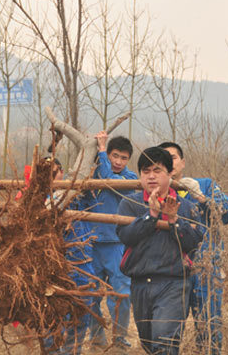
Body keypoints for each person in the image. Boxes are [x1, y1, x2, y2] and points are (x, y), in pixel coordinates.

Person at [116, 146, 203, 355]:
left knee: (164, 343)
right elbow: (125, 236)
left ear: (170, 173)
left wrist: (173, 220)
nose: (151, 176)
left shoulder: (186, 207)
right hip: (140, 283)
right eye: (146, 172)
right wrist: (152, 215)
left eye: (157, 171)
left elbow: (194, 242)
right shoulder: (130, 204)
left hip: (173, 282)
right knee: (148, 344)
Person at [159, 142, 228, 355]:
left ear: (182, 162)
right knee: (168, 331)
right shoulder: (153, 192)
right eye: (162, 159)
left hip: (205, 269)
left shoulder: (203, 185)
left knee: (209, 328)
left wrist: (202, 197)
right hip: (170, 272)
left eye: (173, 157)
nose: (169, 162)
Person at [87, 131, 136, 349]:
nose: (118, 161)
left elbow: (110, 182)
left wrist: (102, 152)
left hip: (118, 245)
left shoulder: (131, 179)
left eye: (123, 158)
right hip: (92, 244)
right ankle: (97, 338)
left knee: (121, 295)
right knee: (90, 294)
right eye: (114, 155)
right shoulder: (92, 174)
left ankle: (119, 340)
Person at [42, 157, 95, 355]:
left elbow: (92, 191)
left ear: (62, 172)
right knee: (51, 318)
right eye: (47, 173)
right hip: (51, 269)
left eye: (55, 171)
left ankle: (73, 351)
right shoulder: (36, 201)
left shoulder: (79, 196)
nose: (53, 176)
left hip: (81, 265)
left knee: (80, 315)